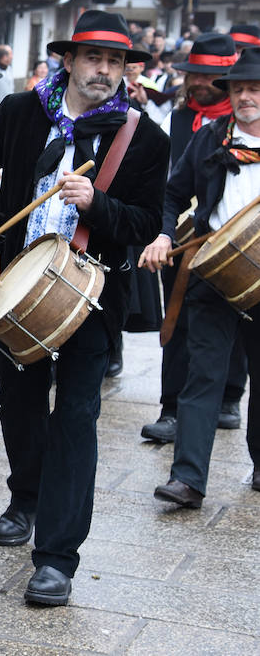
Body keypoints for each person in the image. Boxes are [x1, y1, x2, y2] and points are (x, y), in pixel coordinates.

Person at [0, 10, 168, 608]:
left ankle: (58, 558)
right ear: (68, 60)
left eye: (116, 62)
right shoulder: (20, 113)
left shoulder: (145, 137)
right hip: (16, 283)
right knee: (16, 405)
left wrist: (97, 205)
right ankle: (26, 497)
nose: (105, 71)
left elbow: (144, 224)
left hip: (91, 297)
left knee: (75, 418)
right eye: (94, 58)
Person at [143, 47, 260, 508]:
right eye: (239, 90)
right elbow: (173, 194)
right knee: (202, 375)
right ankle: (188, 479)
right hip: (214, 272)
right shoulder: (211, 138)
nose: (247, 97)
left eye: (255, 89)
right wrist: (163, 234)